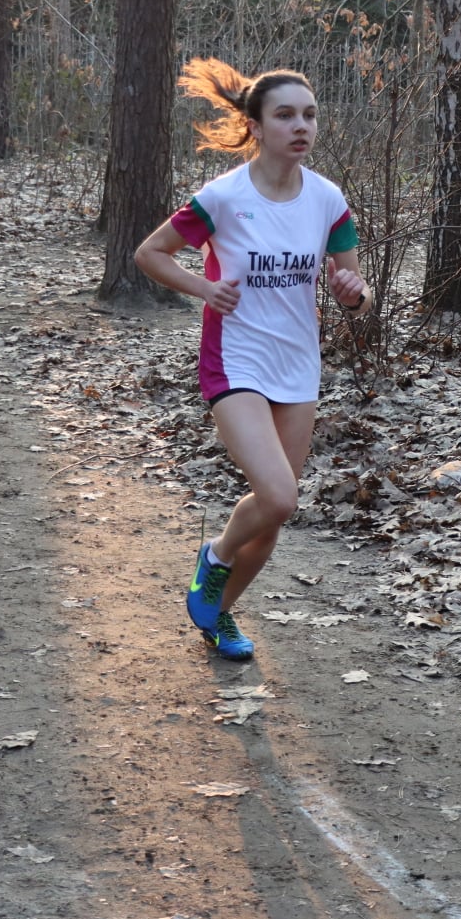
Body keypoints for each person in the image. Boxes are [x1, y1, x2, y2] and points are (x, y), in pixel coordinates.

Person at [134, 59, 372, 661]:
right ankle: (213, 556)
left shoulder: (327, 199)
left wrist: (353, 295)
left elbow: (358, 288)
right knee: (281, 495)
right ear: (257, 126)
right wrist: (202, 287)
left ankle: (218, 615)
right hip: (234, 361)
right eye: (285, 115)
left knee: (271, 518)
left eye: (310, 115)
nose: (301, 126)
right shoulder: (223, 196)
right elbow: (150, 253)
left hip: (298, 365)